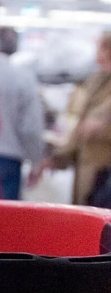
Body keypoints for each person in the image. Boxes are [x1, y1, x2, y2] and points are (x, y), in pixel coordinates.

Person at [51, 31, 111, 206]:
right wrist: (60, 156)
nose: (96, 53)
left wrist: (101, 129)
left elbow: (95, 125)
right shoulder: (95, 80)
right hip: (87, 168)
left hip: (104, 168)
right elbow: (81, 125)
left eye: (100, 48)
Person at [0, 27, 45, 200]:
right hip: (9, 160)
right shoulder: (23, 78)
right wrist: (36, 162)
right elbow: (31, 127)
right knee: (3, 220)